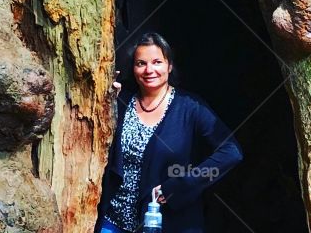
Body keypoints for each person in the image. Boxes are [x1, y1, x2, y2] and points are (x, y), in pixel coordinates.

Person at [95, 31, 243, 233]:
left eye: (157, 62)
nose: (149, 70)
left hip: (169, 224)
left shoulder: (190, 107)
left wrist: (181, 185)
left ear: (169, 66)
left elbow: (231, 152)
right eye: (141, 63)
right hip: (114, 222)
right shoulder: (121, 102)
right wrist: (104, 97)